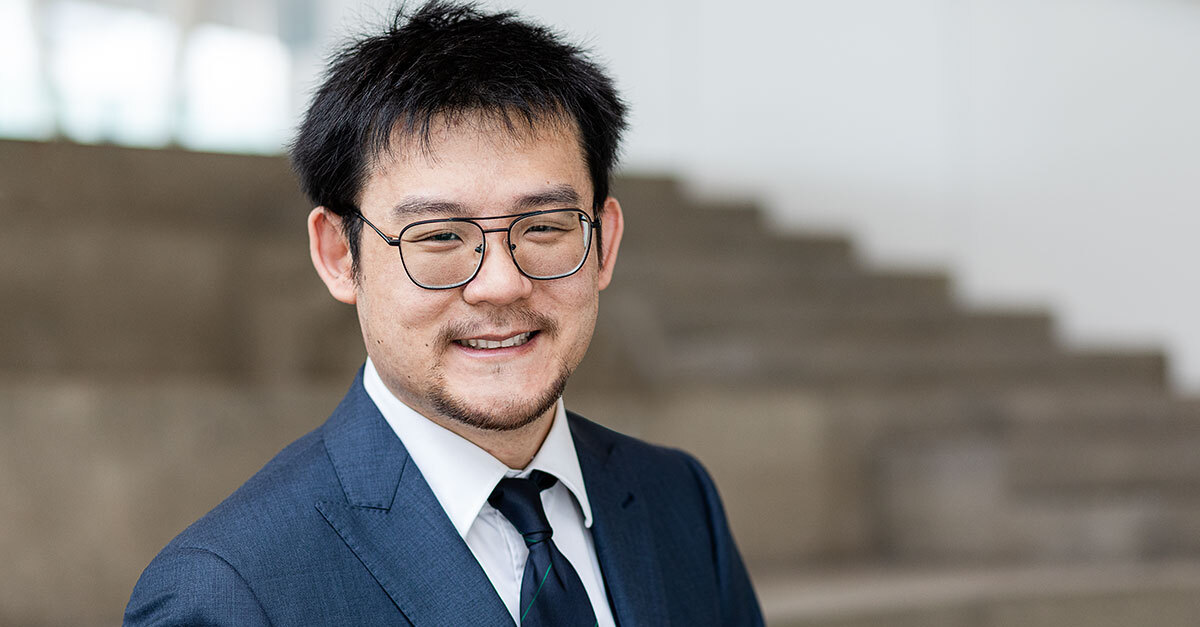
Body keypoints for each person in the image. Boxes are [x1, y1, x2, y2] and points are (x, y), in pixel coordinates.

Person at [125, 2, 763, 625]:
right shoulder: (225, 595)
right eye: (437, 237)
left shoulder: (679, 499)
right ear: (339, 255)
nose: (501, 285)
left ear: (604, 243)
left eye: (543, 226)